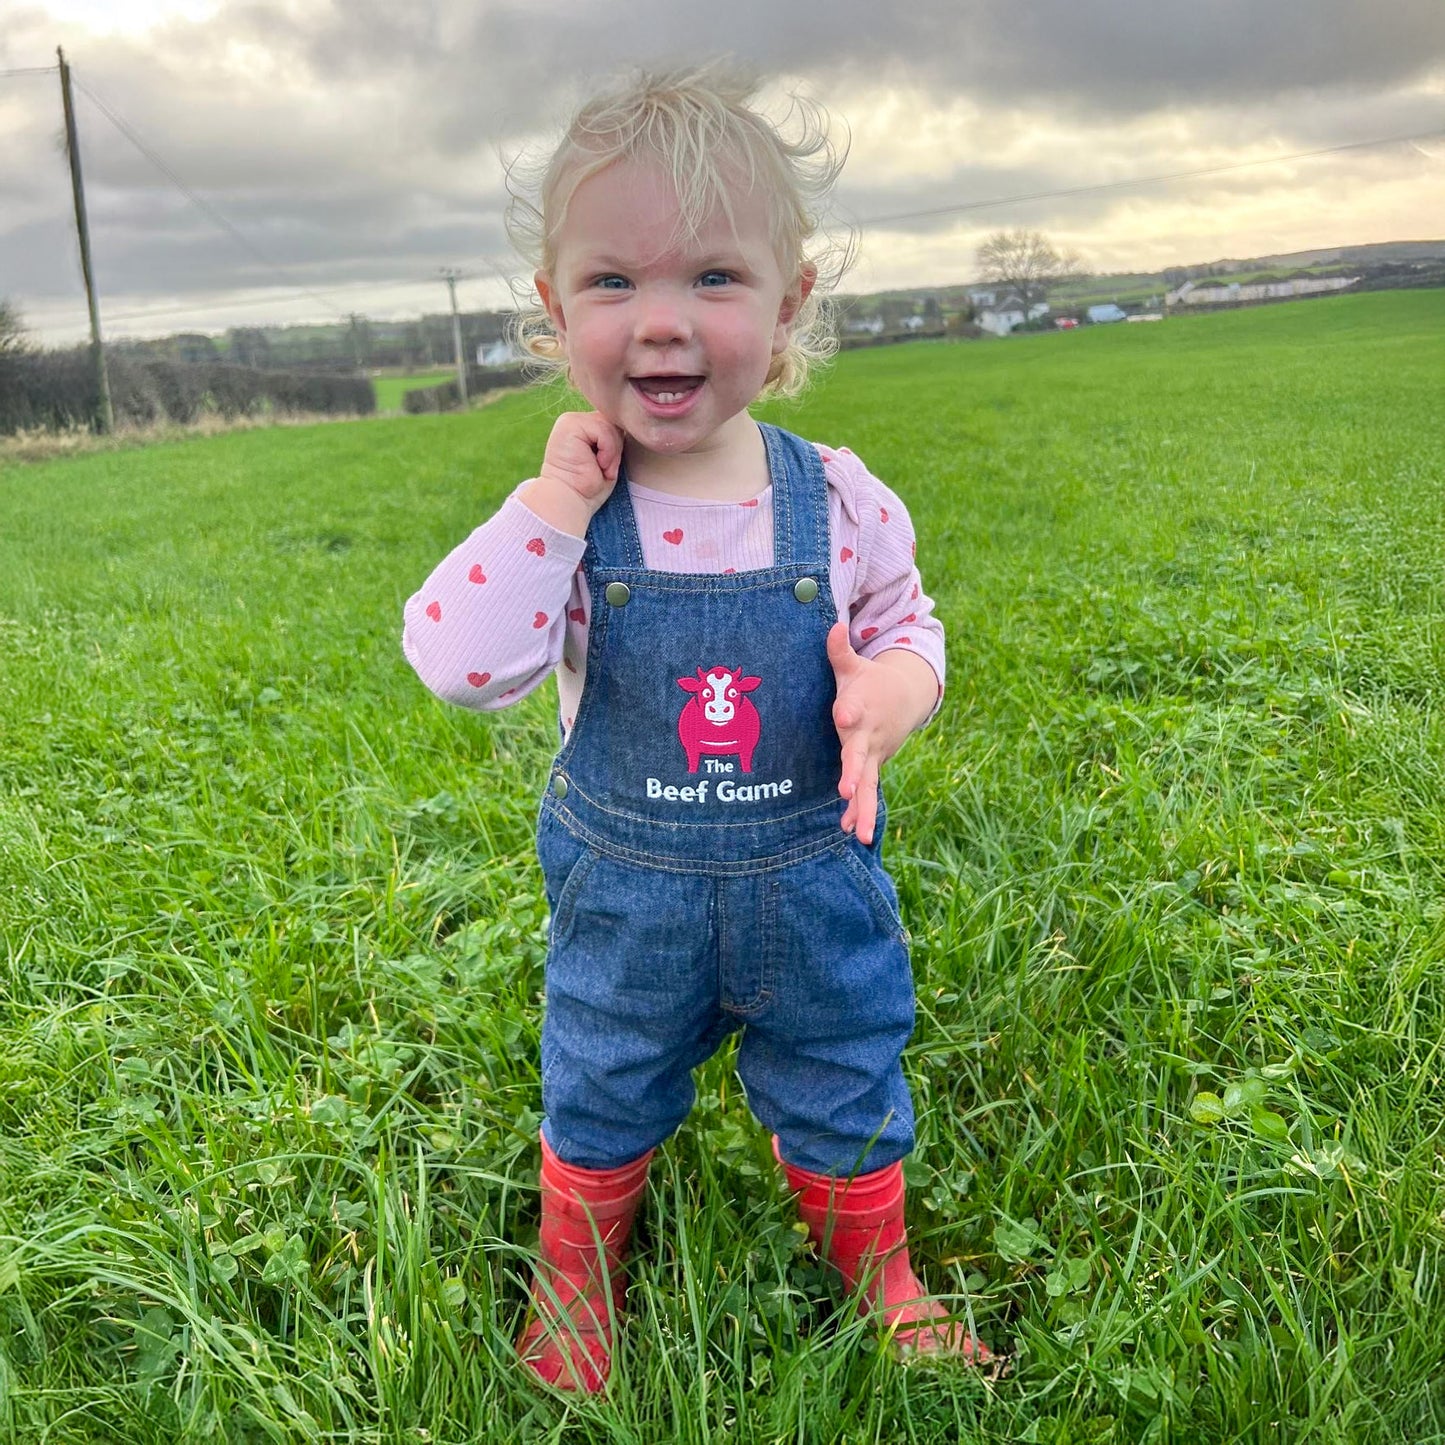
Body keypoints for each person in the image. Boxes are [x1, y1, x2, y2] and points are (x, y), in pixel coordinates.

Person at [402, 64, 989, 1392]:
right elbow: (458, 664)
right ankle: (577, 1281)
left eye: (713, 279)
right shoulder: (565, 515)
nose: (661, 321)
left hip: (812, 888)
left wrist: (898, 689)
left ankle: (880, 1276)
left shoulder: (837, 497)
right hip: (630, 907)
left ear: (788, 308)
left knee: (845, 1068)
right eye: (614, 283)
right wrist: (549, 508)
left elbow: (909, 621)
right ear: (556, 313)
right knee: (599, 1079)